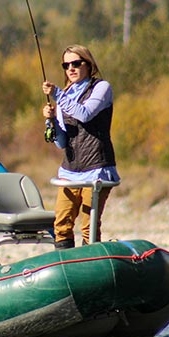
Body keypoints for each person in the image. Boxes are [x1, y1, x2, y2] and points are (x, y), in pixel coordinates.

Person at [42, 45, 120, 249]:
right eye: (66, 65)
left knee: (89, 226)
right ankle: (65, 268)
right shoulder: (64, 96)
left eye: (76, 63)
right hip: (70, 170)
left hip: (97, 168)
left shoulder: (101, 88)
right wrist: (51, 122)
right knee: (62, 225)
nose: (71, 68)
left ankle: (90, 264)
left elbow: (85, 113)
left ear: (89, 64)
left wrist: (58, 94)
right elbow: (61, 142)